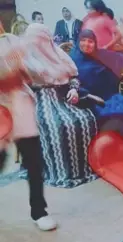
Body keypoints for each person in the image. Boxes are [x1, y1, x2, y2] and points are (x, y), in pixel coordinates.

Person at [22, 23, 97, 188]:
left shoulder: (58, 55)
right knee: (59, 125)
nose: (39, 43)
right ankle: (62, 171)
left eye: (43, 39)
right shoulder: (23, 59)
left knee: (85, 119)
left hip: (64, 96)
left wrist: (74, 90)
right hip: (39, 100)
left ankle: (85, 168)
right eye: (36, 39)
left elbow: (73, 77)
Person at [0, 33, 56, 230]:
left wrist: (24, 68)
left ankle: (39, 211)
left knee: (34, 163)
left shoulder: (12, 41)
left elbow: (39, 72)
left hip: (21, 108)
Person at [71, 30, 123, 141]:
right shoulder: (72, 60)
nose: (86, 44)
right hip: (88, 99)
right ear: (78, 41)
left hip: (109, 95)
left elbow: (119, 61)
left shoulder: (100, 55)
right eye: (83, 40)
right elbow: (71, 83)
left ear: (95, 44)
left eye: (90, 41)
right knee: (113, 117)